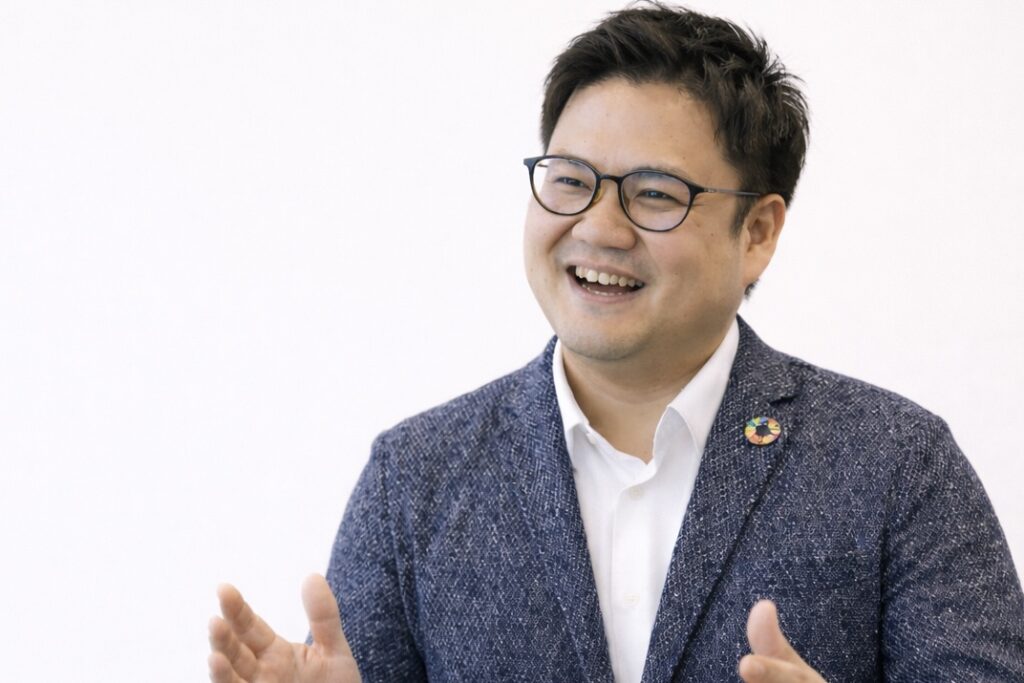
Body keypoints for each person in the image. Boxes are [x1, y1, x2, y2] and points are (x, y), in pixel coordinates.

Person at [208, 4, 1024, 681]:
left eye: (655, 194)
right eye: (570, 180)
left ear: (758, 232)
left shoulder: (896, 464)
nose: (598, 227)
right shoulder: (414, 480)